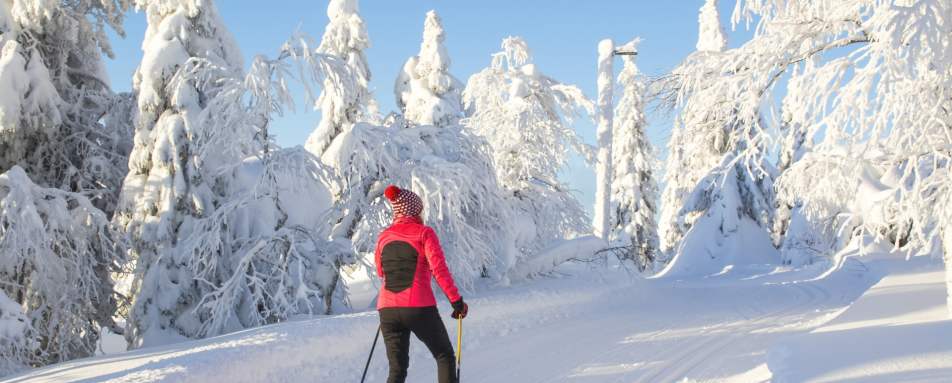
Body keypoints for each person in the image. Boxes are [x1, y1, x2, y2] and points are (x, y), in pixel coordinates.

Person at [375, 184, 469, 383]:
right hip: (418, 306)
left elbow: (380, 271)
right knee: (444, 356)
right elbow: (439, 270)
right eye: (420, 209)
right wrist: (456, 301)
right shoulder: (424, 233)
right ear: (415, 210)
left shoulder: (383, 237)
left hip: (387, 309)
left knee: (397, 371)